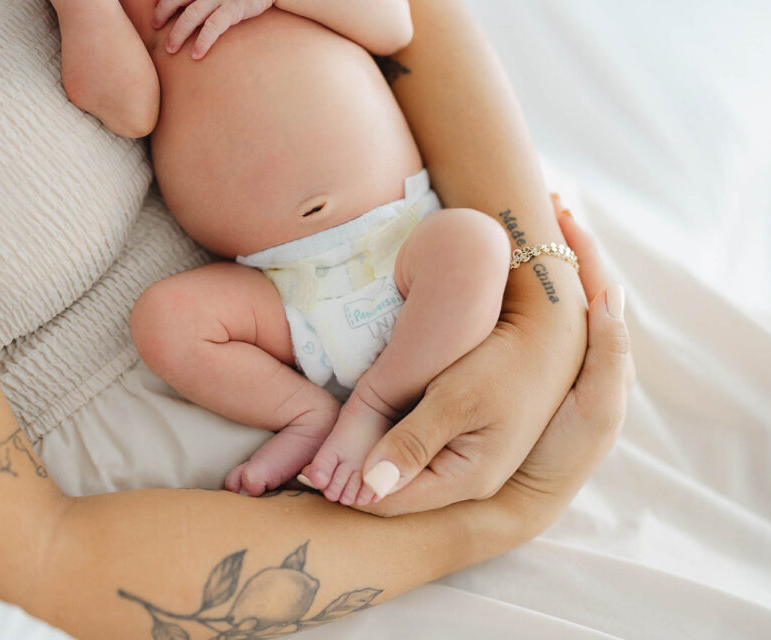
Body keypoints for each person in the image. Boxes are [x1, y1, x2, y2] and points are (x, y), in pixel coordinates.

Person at [0, 0, 630, 640]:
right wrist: (498, 513)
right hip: (208, 554)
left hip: (435, 348)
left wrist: (544, 318)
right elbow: (38, 562)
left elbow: (403, 17)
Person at [51, 0, 525, 505]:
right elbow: (128, 110)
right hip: (282, 292)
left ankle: (374, 403)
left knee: (476, 243)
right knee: (165, 321)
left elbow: (392, 24)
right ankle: (306, 414)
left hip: (400, 242)